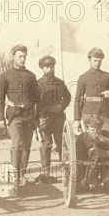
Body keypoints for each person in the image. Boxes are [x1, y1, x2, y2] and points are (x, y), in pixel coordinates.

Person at [0, 45, 39, 186]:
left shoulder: (31, 76)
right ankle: (14, 175)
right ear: (13, 56)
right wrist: (0, 118)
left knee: (26, 145)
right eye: (20, 56)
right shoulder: (5, 76)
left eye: (24, 56)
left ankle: (22, 174)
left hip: (29, 114)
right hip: (14, 115)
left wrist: (37, 117)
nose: (22, 59)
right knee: (17, 144)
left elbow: (37, 98)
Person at [73, 47, 109, 183]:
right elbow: (77, 99)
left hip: (105, 114)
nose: (97, 63)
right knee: (90, 144)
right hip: (88, 113)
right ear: (89, 60)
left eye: (100, 61)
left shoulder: (107, 76)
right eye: (95, 61)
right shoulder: (83, 77)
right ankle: (87, 178)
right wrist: (76, 119)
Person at [36, 55, 71, 183]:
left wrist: (61, 106)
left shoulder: (60, 83)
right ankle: (46, 172)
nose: (50, 69)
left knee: (62, 144)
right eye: (46, 67)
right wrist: (39, 118)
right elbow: (36, 103)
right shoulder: (38, 84)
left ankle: (65, 171)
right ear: (42, 68)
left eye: (52, 66)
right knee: (46, 144)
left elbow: (67, 97)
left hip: (59, 118)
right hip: (45, 118)